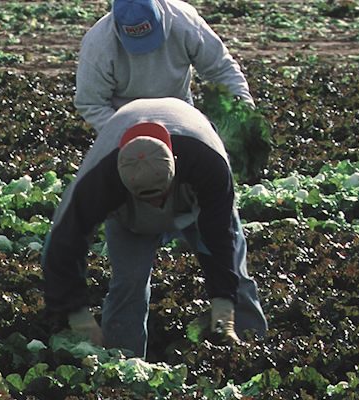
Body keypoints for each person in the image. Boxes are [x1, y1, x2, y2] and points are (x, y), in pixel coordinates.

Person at [41, 97, 267, 357]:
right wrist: (78, 315)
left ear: (175, 163)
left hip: (195, 203)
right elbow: (63, 244)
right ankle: (123, 362)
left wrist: (224, 309)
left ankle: (249, 353)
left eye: (160, 195)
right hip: (129, 217)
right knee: (129, 282)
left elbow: (219, 236)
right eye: (146, 198)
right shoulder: (99, 180)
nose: (156, 204)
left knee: (236, 277)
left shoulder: (208, 163)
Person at [74, 0, 254, 133]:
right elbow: (91, 103)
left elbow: (221, 69)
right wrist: (125, 133)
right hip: (124, 118)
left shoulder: (184, 22)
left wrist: (243, 113)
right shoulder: (98, 45)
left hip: (180, 112)